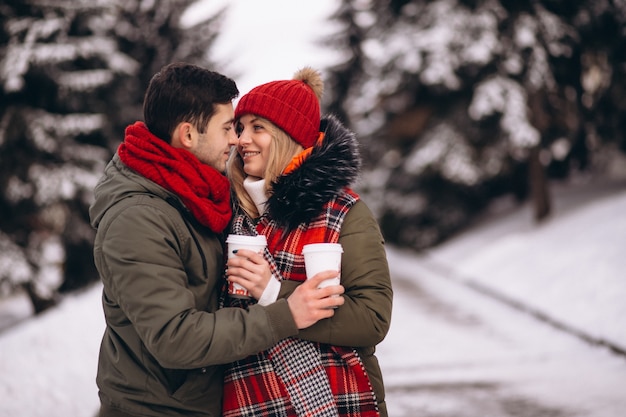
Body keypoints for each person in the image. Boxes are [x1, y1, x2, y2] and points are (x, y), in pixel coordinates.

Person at [89, 62, 345, 417]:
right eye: (228, 127)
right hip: (156, 407)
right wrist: (284, 314)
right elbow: (175, 337)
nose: (236, 140)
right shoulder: (138, 219)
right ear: (188, 135)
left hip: (200, 400)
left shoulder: (197, 192)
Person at [223, 67, 393, 417]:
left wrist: (275, 294)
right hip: (248, 401)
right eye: (240, 128)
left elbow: (373, 319)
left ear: (288, 136)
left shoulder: (343, 211)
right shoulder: (232, 212)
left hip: (334, 400)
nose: (242, 139)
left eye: (258, 128)